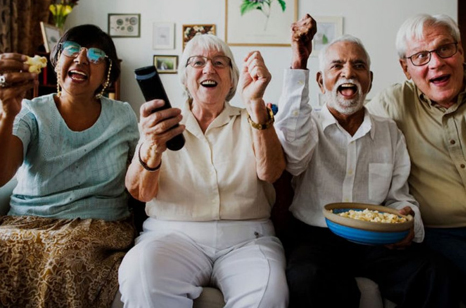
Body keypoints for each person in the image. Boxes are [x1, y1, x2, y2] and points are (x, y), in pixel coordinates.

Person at [274, 14, 460, 308]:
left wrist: (407, 218)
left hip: (375, 240)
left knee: (433, 274)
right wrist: (300, 62)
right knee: (308, 279)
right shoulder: (306, 125)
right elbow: (293, 155)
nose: (349, 72)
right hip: (316, 238)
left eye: (359, 66)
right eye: (337, 66)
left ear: (370, 81)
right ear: (321, 81)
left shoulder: (389, 131)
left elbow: (400, 196)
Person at [118, 34, 288, 307]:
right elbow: (140, 192)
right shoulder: (161, 124)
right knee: (141, 275)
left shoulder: (254, 119)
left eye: (219, 63)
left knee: (268, 294)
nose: (209, 69)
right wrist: (151, 146)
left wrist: (255, 103)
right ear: (185, 78)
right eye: (197, 62)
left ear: (232, 79)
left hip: (248, 239)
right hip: (171, 236)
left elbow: (272, 173)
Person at [0, 24, 139, 307]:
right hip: (27, 221)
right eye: (72, 50)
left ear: (107, 73)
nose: (81, 59)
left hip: (97, 227)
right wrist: (7, 114)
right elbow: (3, 174)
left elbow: (141, 177)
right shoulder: (29, 111)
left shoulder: (123, 117)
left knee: (66, 255)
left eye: (96, 55)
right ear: (56, 60)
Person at [366, 14, 466, 300]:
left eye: (444, 48)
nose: (436, 63)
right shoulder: (392, 103)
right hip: (441, 233)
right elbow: (343, 124)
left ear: (460, 51)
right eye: (421, 56)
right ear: (405, 68)